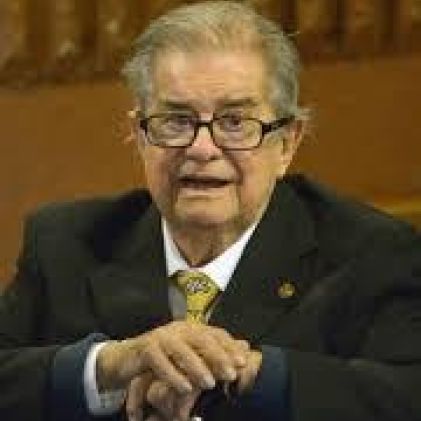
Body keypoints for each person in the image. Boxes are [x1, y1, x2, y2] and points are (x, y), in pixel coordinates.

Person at [1, 1, 421, 420]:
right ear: (140, 136)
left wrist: (248, 372)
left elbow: (405, 396)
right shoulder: (65, 243)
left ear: (287, 144)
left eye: (235, 122)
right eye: (176, 120)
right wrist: (110, 364)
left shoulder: (371, 254)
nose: (202, 149)